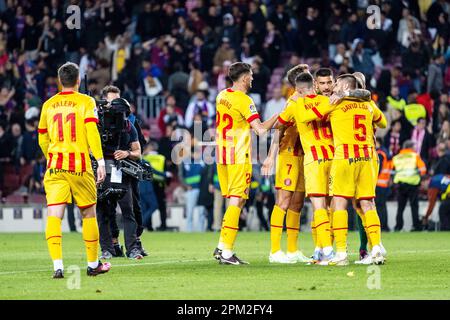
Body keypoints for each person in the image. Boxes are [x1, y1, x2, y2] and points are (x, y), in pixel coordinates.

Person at [295, 74, 387, 265]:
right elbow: (383, 122)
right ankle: (377, 248)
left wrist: (301, 101)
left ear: (344, 86)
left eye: (336, 83)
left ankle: (341, 253)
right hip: (368, 158)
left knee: (339, 204)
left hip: (345, 158)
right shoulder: (368, 104)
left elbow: (304, 116)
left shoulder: (334, 103)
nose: (333, 86)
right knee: (368, 203)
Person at [38, 61, 110, 278]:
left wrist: (51, 156)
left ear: (60, 81)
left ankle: (58, 267)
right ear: (78, 80)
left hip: (55, 167)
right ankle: (92, 264)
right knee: (88, 213)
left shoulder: (48, 105)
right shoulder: (86, 101)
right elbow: (91, 131)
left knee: (54, 214)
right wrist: (100, 160)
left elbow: (42, 138)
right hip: (79, 166)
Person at [213, 62, 279, 265]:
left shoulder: (221, 95)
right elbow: (260, 130)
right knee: (236, 200)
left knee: (238, 201)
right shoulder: (244, 100)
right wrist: (277, 116)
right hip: (239, 157)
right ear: (243, 78)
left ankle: (221, 246)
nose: (252, 78)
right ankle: (227, 252)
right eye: (250, 75)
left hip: (222, 155)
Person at [262, 64, 311, 264]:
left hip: (303, 155)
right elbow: (278, 130)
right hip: (288, 153)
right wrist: (271, 156)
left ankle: (292, 249)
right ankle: (275, 250)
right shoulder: (292, 103)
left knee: (298, 203)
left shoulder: (309, 101)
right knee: (283, 200)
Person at [96, 88, 143, 260]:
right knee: (103, 211)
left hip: (121, 171)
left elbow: (138, 152)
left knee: (127, 210)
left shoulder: (129, 126)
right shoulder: (96, 124)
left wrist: (127, 153)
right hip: (102, 170)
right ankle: (107, 249)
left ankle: (132, 249)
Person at [392, 140, 427, 232]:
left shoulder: (397, 157)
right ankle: (416, 226)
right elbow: (423, 169)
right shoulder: (415, 156)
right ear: (411, 147)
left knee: (400, 207)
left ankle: (398, 227)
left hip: (401, 184)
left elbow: (392, 169)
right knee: (414, 206)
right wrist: (421, 177)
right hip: (413, 184)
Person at [375, 137, 392, 232]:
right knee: (382, 206)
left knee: (379, 206)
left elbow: (378, 169)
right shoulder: (386, 153)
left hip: (378, 183)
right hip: (384, 184)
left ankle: (383, 226)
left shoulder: (380, 154)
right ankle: (384, 226)